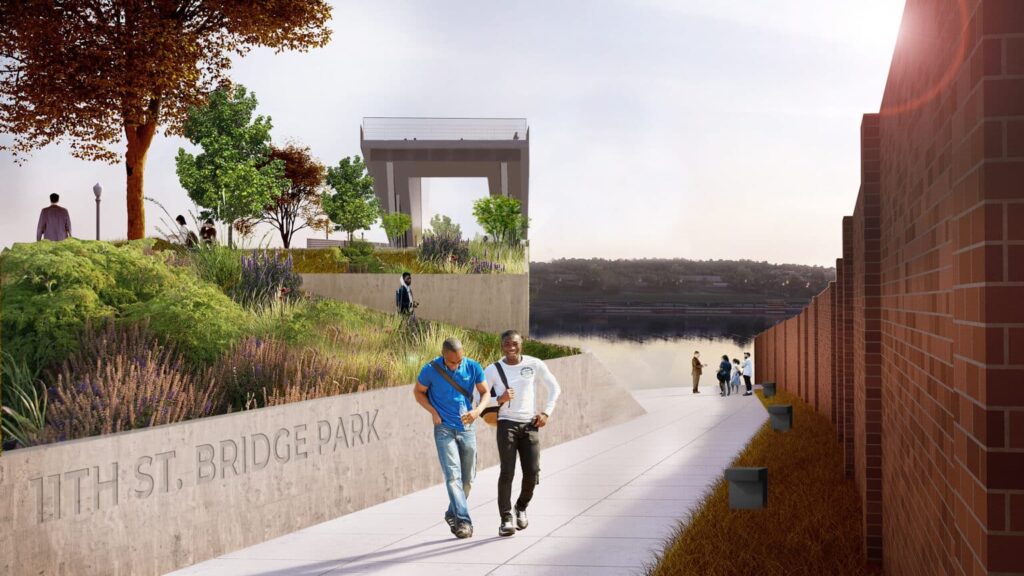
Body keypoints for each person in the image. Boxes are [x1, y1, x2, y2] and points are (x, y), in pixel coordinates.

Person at [485, 330, 561, 537]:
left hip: (530, 424)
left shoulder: (534, 364)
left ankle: (521, 506)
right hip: (506, 424)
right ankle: (506, 519)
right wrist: (497, 399)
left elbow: (555, 388)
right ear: (502, 346)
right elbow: (478, 398)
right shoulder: (493, 370)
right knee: (507, 472)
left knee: (533, 471)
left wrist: (546, 412)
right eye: (506, 344)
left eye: (514, 343)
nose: (510, 347)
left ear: (521, 344)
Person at [414, 338, 489, 539]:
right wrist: (433, 412)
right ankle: (464, 521)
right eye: (452, 362)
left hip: (467, 427)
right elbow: (418, 392)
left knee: (468, 479)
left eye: (459, 361)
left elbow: (485, 392)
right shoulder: (430, 369)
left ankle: (451, 513)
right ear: (443, 355)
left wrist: (477, 411)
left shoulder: (472, 366)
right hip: (443, 429)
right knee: (453, 476)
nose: (456, 365)